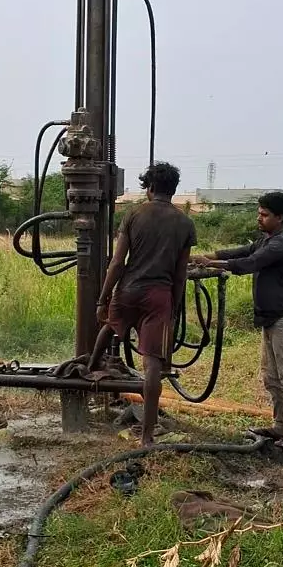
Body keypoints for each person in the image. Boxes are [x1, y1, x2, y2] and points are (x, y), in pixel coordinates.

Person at [88, 162, 196, 446]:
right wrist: (174, 308)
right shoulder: (185, 222)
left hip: (129, 289)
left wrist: (103, 298)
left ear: (149, 188)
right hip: (160, 295)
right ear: (173, 190)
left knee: (110, 326)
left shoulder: (134, 214)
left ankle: (88, 371)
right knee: (152, 367)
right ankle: (147, 435)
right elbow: (180, 273)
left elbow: (116, 262)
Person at [191, 192, 283, 451]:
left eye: (265, 215)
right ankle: (279, 426)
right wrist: (203, 257)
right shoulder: (266, 240)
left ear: (280, 217)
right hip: (270, 318)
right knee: (271, 377)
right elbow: (242, 251)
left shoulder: (282, 243)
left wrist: (213, 262)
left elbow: (251, 262)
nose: (259, 218)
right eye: (259, 213)